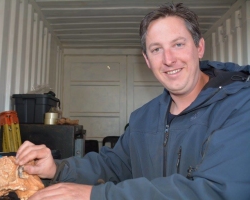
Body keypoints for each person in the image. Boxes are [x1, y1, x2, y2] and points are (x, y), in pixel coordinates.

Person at [16, 2, 250, 199]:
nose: (169, 59)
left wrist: (95, 195)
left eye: (178, 44)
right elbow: (115, 166)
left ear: (199, 47)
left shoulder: (240, 105)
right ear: (147, 60)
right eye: (156, 49)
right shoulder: (143, 118)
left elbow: (216, 191)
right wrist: (57, 167)